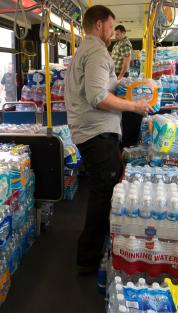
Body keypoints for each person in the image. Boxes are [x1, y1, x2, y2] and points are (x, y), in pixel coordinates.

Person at [64, 5, 152, 274]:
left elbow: (101, 88)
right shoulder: (97, 53)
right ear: (100, 25)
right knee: (103, 193)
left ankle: (93, 250)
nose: (113, 33)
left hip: (89, 131)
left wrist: (123, 86)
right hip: (97, 133)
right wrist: (134, 106)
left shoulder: (84, 51)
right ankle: (88, 260)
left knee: (102, 190)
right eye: (112, 27)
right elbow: (97, 98)